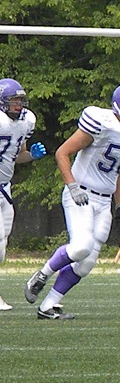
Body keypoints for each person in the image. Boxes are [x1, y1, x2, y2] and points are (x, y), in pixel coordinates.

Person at [24, 82, 120, 319]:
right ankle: (41, 275)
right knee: (80, 247)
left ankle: (48, 306)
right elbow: (62, 152)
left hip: (104, 202)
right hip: (81, 193)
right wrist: (72, 186)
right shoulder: (101, 123)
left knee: (86, 263)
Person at [0, 79, 47, 311]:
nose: (18, 105)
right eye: (13, 101)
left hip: (5, 186)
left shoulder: (26, 121)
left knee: (3, 243)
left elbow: (19, 155)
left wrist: (32, 157)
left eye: (20, 100)